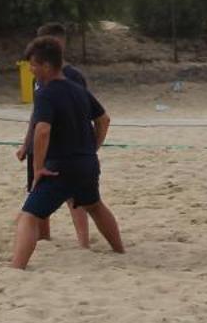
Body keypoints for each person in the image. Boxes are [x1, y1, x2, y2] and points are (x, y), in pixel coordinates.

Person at [11, 34, 123, 269]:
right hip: (87, 163)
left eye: (33, 64)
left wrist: (38, 167)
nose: (30, 69)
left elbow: (42, 131)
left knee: (29, 215)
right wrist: (93, 148)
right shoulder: (78, 89)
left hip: (61, 166)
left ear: (47, 66)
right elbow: (104, 119)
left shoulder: (46, 92)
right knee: (94, 205)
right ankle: (120, 251)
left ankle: (17, 266)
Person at [14, 21, 101, 247]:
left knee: (77, 197)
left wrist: (91, 146)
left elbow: (89, 112)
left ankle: (83, 241)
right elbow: (37, 113)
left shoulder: (73, 76)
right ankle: (43, 237)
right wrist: (26, 143)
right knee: (37, 189)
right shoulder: (38, 77)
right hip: (41, 143)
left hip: (66, 145)